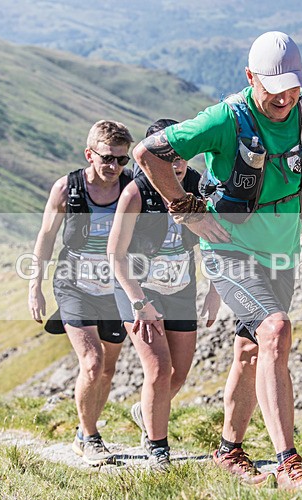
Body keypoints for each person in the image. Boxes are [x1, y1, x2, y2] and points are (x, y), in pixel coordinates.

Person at [132, 31, 302, 490]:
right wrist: (187, 209)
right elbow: (149, 153)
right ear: (249, 77)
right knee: (275, 330)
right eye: (273, 88)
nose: (284, 99)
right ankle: (289, 463)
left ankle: (228, 451)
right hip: (228, 247)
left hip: (281, 247)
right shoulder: (225, 119)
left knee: (252, 349)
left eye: (292, 87)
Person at [108, 119, 221, 472]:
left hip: (181, 288)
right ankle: (157, 447)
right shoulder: (135, 192)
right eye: (166, 158)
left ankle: (147, 411)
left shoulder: (197, 187)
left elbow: (216, 241)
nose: (175, 164)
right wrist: (139, 302)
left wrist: (214, 292)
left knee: (180, 373)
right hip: (138, 288)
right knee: (159, 369)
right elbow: (115, 254)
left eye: (181, 157)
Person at [28, 120, 134, 466]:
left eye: (122, 160)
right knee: (92, 362)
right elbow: (46, 236)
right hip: (74, 285)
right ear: (90, 154)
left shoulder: (131, 188)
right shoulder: (67, 188)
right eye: (108, 158)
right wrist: (35, 287)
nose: (115, 167)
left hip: (115, 288)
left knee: (108, 368)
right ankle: (89, 437)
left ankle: (84, 428)